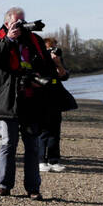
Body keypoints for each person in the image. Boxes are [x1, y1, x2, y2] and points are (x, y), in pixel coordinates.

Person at [0, 7, 57, 199]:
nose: (22, 26)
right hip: (7, 101)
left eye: (23, 21)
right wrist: (9, 39)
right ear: (8, 23)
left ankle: (33, 188)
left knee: (32, 146)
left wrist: (39, 77)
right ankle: (5, 185)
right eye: (17, 22)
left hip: (31, 100)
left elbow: (46, 66)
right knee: (8, 144)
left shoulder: (34, 40)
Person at [39, 36, 71, 171]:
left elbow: (64, 76)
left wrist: (57, 63)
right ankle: (41, 160)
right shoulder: (37, 58)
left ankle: (54, 160)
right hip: (40, 98)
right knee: (43, 132)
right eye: (49, 47)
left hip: (55, 98)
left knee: (55, 131)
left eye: (54, 47)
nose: (52, 50)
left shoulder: (56, 58)